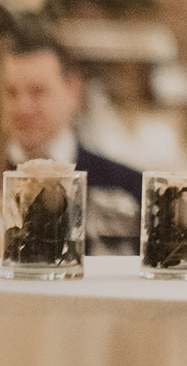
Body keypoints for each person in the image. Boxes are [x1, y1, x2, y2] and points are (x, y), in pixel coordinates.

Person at [1, 31, 143, 251]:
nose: (22, 107)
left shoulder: (126, 188)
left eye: (37, 92)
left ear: (72, 91)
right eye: (11, 93)